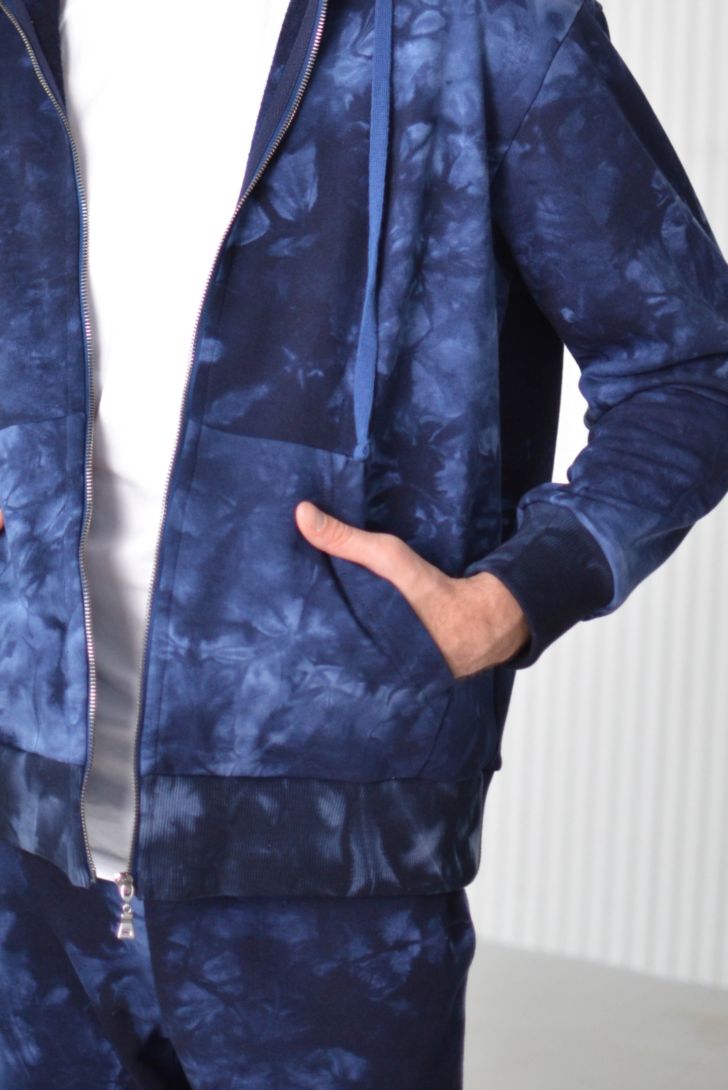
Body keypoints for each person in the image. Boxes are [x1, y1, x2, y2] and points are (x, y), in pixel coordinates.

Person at [1, 0, 727, 1086]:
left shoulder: (480, 26)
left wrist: (516, 595)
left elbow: (691, 367)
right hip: (28, 862)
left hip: (333, 868)